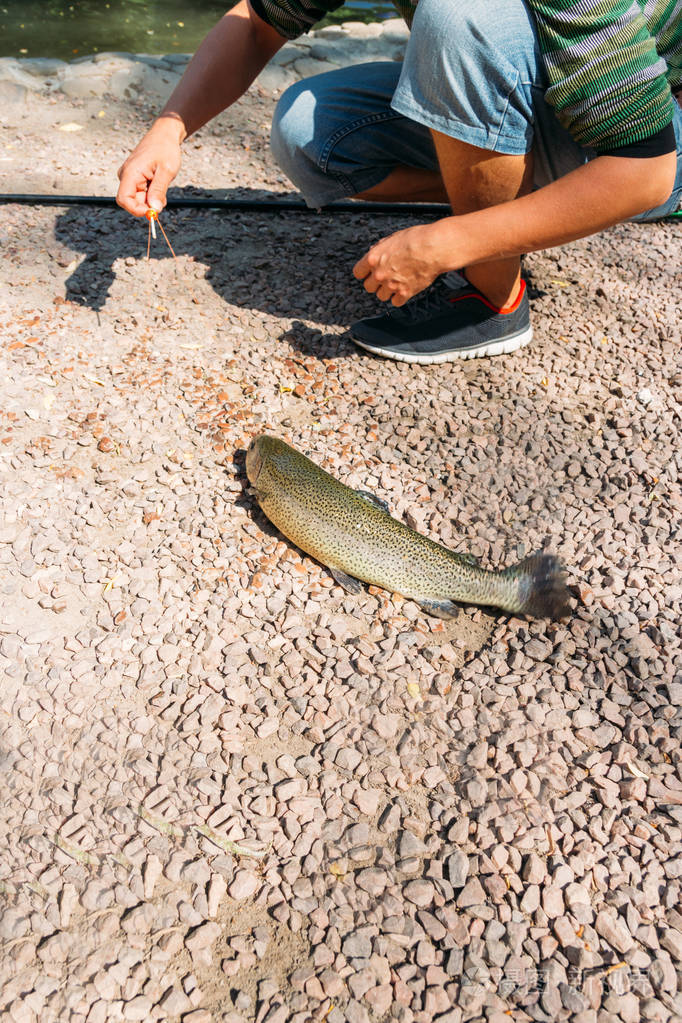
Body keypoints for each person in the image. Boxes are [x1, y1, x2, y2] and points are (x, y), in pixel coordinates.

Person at [117, 0, 682, 363]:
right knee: (306, 133)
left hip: (652, 146)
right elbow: (258, 24)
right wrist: (170, 129)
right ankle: (515, 193)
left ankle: (492, 301)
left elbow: (646, 172)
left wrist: (447, 243)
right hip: (547, 106)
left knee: (458, 15)